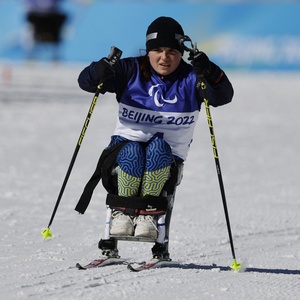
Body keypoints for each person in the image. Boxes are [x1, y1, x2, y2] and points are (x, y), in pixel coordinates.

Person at [76, 16, 234, 260]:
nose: (164, 57)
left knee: (158, 148)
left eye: (172, 51)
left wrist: (210, 70)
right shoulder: (130, 70)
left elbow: (223, 96)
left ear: (181, 53)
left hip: (167, 157)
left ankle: (149, 216)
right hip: (123, 149)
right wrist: (100, 69)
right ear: (148, 51)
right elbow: (86, 82)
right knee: (132, 151)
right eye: (157, 50)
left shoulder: (192, 77)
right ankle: (123, 215)